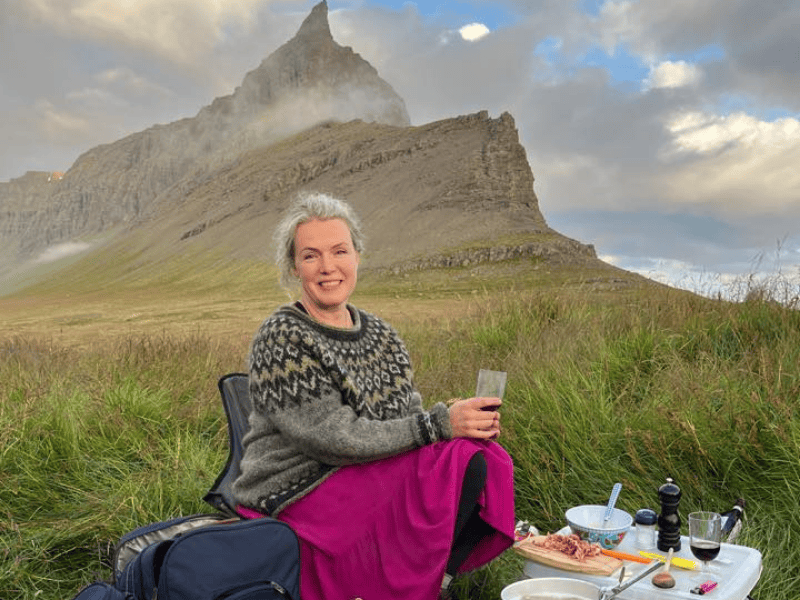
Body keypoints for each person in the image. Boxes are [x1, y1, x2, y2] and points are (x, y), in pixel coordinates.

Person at [232, 192, 515, 600]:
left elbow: (408, 417)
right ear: (295, 267)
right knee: (457, 459)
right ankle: (415, 582)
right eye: (311, 256)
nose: (328, 268)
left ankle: (440, 578)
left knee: (482, 456)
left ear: (357, 256)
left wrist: (456, 422)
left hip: (363, 467)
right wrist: (438, 425)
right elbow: (332, 438)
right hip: (299, 484)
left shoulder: (382, 335)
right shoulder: (283, 336)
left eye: (339, 251)